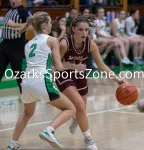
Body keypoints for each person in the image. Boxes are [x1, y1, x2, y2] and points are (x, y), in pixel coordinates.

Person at [6, 12, 76, 150]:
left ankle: (12, 144)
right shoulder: (52, 40)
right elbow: (59, 66)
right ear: (44, 25)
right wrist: (72, 66)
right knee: (70, 108)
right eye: (50, 22)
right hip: (41, 80)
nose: (51, 24)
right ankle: (49, 130)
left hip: (26, 82)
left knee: (27, 113)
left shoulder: (28, 44)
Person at [56, 15, 125, 150]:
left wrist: (116, 79)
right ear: (73, 29)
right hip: (63, 75)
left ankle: (76, 119)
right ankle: (88, 139)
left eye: (86, 30)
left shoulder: (90, 43)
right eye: (80, 29)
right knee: (80, 105)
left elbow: (101, 65)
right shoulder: (64, 43)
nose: (84, 33)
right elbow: (55, 65)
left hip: (80, 75)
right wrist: (72, 66)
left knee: (82, 110)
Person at [0, 0, 32, 92]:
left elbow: (31, 26)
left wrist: (14, 25)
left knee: (17, 71)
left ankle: (26, 92)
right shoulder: (9, 10)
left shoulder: (24, 11)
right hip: (4, 43)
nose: (12, 1)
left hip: (16, 44)